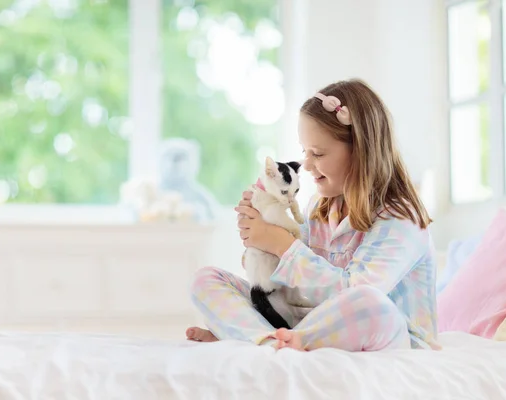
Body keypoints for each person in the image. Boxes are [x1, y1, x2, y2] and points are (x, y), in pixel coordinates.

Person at [185, 78, 439, 351]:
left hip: (388, 337)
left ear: (361, 151)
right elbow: (293, 282)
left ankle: (261, 338)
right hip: (307, 324)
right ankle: (267, 341)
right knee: (206, 279)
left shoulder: (401, 217)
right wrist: (262, 235)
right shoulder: (320, 207)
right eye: (305, 151)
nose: (306, 165)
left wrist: (280, 244)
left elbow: (353, 292)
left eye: (317, 153)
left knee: (371, 302)